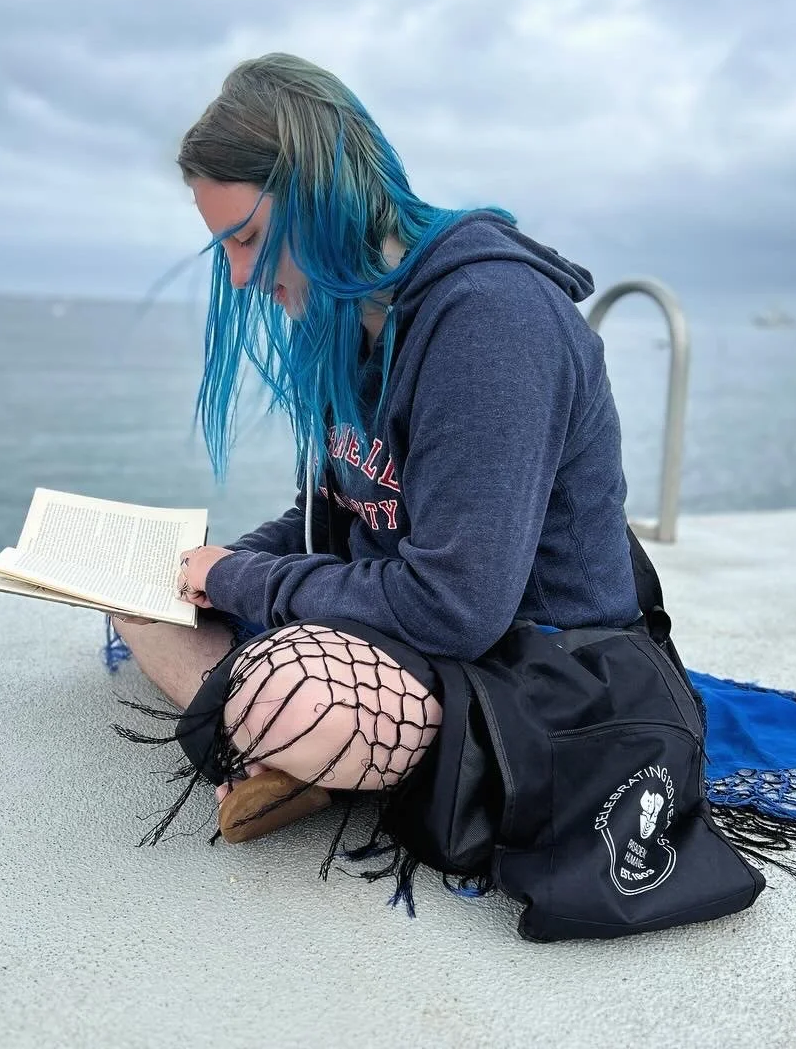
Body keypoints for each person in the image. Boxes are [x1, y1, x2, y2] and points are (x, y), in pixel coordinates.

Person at [111, 51, 639, 849]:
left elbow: (456, 606)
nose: (243, 276)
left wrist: (239, 579)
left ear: (325, 198)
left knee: (285, 693)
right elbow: (334, 515)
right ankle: (273, 759)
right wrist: (210, 567)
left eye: (250, 237)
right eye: (225, 247)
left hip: (533, 664)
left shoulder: (492, 322)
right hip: (411, 635)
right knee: (136, 597)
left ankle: (273, 744)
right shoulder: (350, 323)